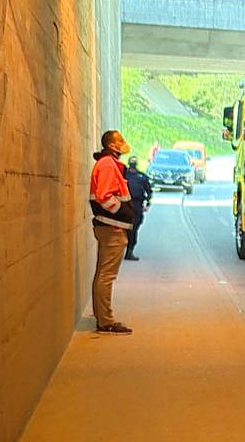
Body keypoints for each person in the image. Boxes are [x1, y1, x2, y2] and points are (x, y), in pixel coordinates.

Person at [89, 130, 135, 335]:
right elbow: (104, 196)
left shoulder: (108, 163)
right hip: (111, 227)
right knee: (107, 275)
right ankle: (105, 321)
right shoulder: (108, 165)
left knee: (102, 273)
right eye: (120, 140)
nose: (124, 144)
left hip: (109, 226)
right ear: (112, 145)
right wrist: (121, 214)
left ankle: (101, 316)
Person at [123, 156, 153, 261]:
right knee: (126, 229)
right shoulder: (123, 175)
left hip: (136, 206)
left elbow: (149, 191)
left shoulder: (142, 177)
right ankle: (126, 249)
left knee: (133, 229)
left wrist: (148, 203)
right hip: (124, 205)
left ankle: (129, 251)